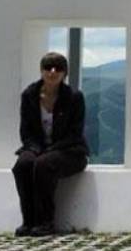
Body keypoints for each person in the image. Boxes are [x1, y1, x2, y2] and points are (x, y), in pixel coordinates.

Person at [12, 52, 89, 236]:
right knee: (23, 165)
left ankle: (45, 221)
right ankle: (28, 221)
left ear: (65, 73)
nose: (52, 72)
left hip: (69, 151)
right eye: (48, 67)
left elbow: (74, 134)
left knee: (44, 165)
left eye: (58, 68)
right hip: (37, 147)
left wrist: (50, 150)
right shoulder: (29, 95)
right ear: (41, 71)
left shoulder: (74, 97)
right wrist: (36, 149)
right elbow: (26, 132)